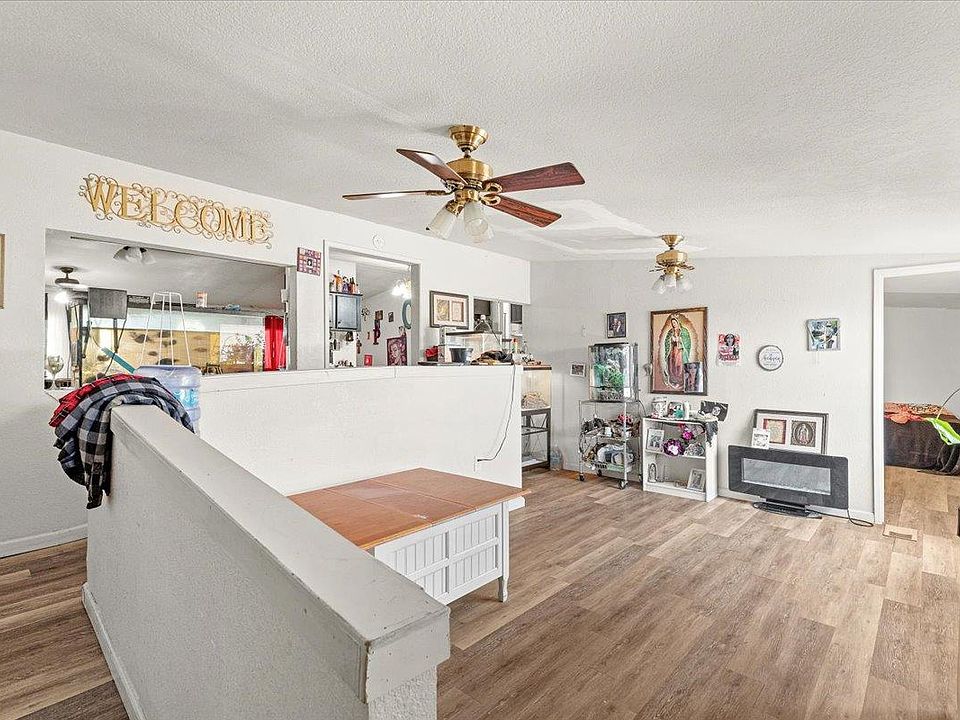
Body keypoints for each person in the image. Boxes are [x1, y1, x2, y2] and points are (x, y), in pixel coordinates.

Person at [663, 314, 691, 388]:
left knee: (679, 365)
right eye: (672, 323)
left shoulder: (684, 331)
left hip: (680, 351)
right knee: (672, 365)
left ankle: (680, 381)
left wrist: (679, 339)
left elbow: (687, 341)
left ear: (678, 322)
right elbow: (666, 341)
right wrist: (671, 340)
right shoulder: (670, 331)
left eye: (674, 322)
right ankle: (673, 381)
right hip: (672, 350)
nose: (673, 324)